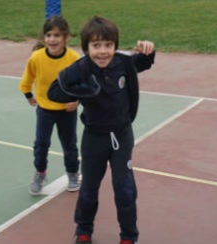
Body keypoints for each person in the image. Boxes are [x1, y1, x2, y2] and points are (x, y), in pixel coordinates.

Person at [48, 15, 155, 244]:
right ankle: (84, 230)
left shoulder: (123, 62)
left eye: (108, 45)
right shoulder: (80, 68)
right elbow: (54, 92)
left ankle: (129, 236)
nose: (103, 51)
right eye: (96, 46)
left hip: (122, 136)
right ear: (86, 48)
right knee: (88, 190)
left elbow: (144, 62)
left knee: (124, 189)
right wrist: (82, 92)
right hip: (94, 138)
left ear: (115, 46)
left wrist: (149, 50)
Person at [19, 15, 81, 195]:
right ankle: (39, 173)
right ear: (44, 37)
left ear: (66, 37)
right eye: (48, 35)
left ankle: (72, 173)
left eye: (57, 35)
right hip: (45, 110)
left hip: (66, 111)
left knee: (69, 144)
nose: (52, 40)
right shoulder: (37, 58)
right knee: (41, 144)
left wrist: (76, 100)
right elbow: (27, 78)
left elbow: (83, 83)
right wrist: (28, 94)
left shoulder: (73, 58)